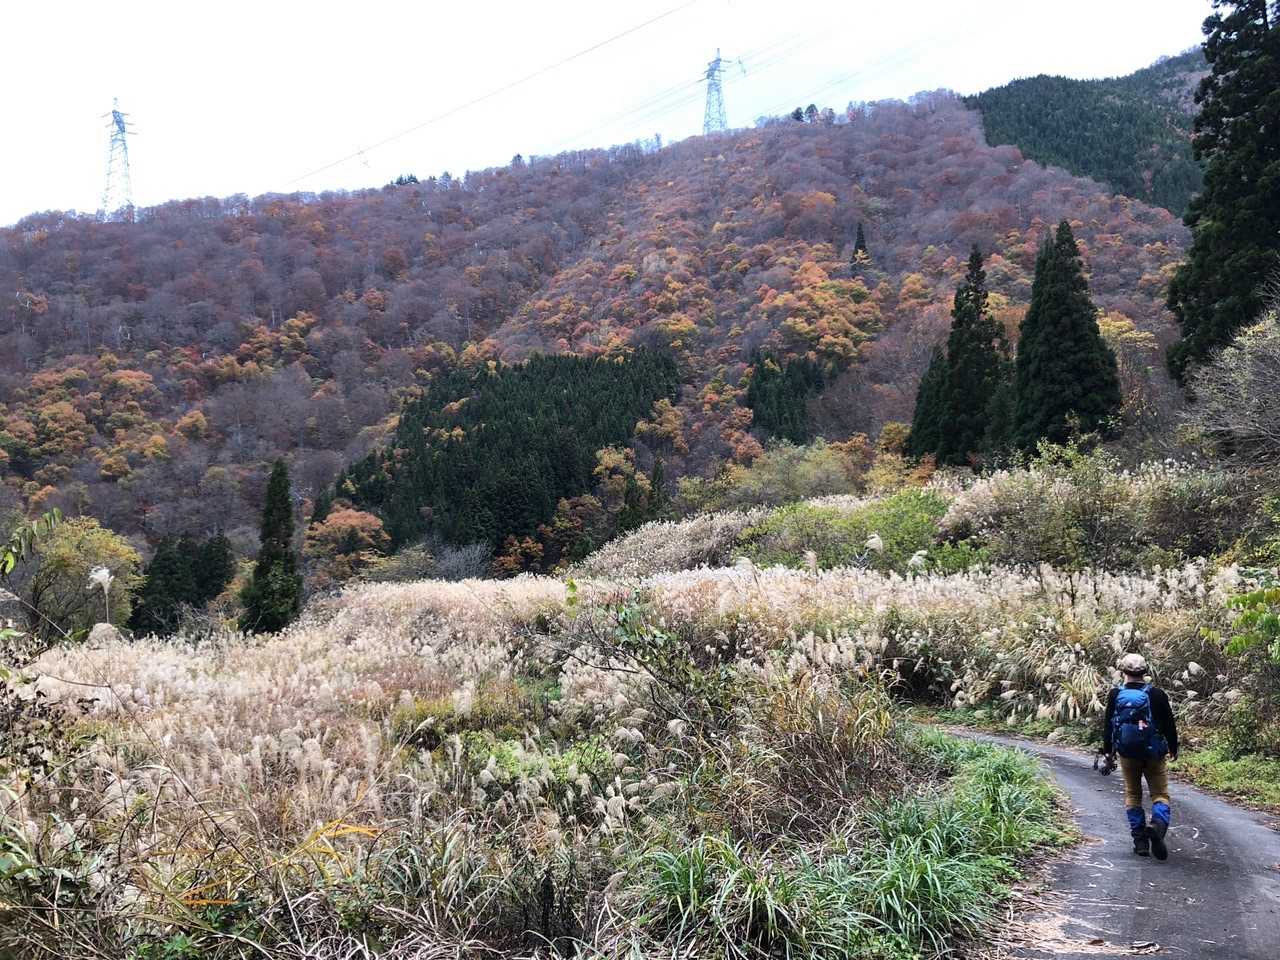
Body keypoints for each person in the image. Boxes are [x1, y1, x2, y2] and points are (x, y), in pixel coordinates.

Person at [1101, 653, 1179, 860]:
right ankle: (1157, 826)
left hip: (1128, 753)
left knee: (1133, 794)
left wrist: (1108, 751)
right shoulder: (1157, 694)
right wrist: (1173, 748)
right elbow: (1169, 724)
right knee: (1160, 794)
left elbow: (1109, 724)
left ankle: (1140, 842)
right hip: (1154, 753)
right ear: (1145, 671)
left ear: (1123, 671)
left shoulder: (1115, 694)